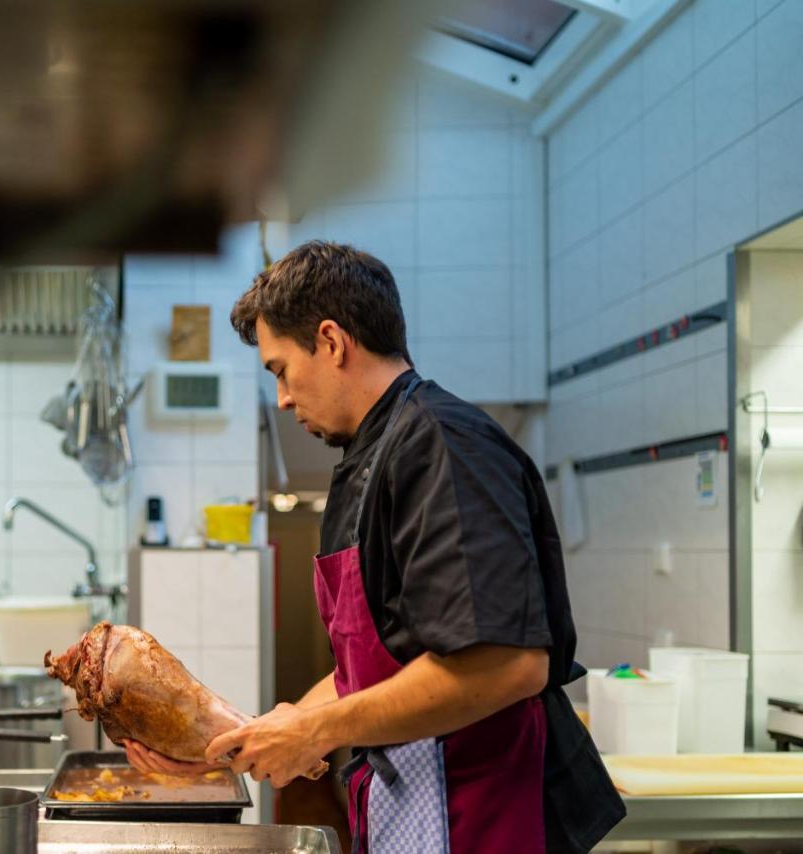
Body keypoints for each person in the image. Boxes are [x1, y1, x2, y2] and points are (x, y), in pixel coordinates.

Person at [124, 241, 624, 852]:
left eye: (281, 369)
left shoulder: (443, 447)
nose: (282, 398)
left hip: (486, 812)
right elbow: (369, 670)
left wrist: (315, 731)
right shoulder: (375, 454)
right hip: (416, 804)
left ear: (332, 342)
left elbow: (508, 664)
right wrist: (243, 742)